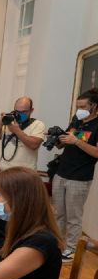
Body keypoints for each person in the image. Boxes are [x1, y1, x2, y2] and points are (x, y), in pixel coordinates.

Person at [53, 88, 98, 262]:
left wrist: (77, 141)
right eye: (77, 106)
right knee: (58, 213)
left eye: (83, 106)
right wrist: (57, 138)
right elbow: (65, 141)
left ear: (94, 106)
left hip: (79, 178)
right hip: (62, 172)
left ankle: (71, 249)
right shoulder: (76, 120)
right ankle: (58, 244)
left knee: (73, 216)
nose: (78, 109)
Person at [0, 97, 45, 170]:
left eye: (24, 112)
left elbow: (34, 145)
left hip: (24, 173)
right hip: (4, 171)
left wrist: (17, 131)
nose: (19, 114)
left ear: (31, 110)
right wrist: (1, 123)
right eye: (17, 111)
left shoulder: (38, 125)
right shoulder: (9, 122)